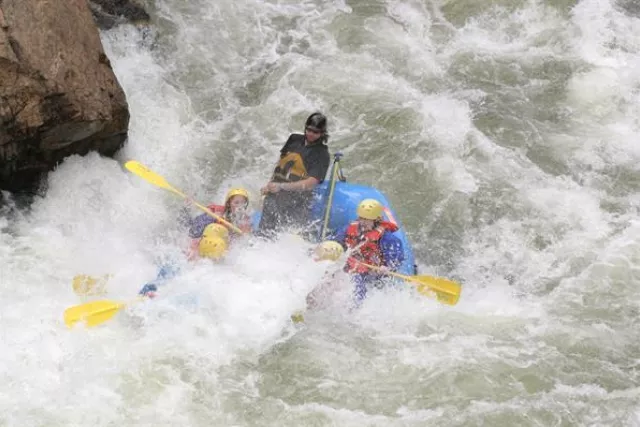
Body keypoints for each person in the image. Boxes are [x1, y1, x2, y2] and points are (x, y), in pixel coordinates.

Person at [311, 199, 404, 305]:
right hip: (350, 265)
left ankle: (353, 309)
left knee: (357, 280)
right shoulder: (349, 229)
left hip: (371, 273)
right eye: (361, 218)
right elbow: (336, 242)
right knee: (327, 274)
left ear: (376, 220)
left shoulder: (387, 239)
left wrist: (388, 268)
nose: (363, 222)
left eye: (367, 220)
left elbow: (396, 259)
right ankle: (310, 302)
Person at [258, 112, 331, 238]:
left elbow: (311, 183)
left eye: (316, 132)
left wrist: (281, 187)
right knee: (264, 233)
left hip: (297, 201)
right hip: (275, 196)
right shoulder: (294, 139)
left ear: (322, 133)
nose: (311, 134)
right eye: (309, 130)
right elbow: (280, 164)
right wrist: (269, 185)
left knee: (284, 235)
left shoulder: (322, 154)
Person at [139, 236, 228, 298]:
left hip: (164, 291)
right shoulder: (212, 272)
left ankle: (149, 293)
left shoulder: (184, 263)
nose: (195, 241)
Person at [188, 187, 252, 239]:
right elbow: (207, 211)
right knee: (208, 218)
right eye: (236, 203)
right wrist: (213, 215)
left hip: (222, 239)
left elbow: (244, 236)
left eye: (242, 203)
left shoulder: (245, 220)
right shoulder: (220, 211)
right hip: (198, 229)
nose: (239, 206)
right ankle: (186, 208)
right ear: (229, 204)